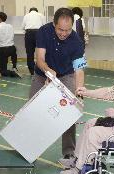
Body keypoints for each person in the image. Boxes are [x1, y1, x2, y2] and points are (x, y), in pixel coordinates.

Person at [30, 8, 87, 160]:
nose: (63, 33)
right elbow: (40, 59)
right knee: (32, 111)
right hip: (42, 75)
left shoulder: (76, 41)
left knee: (69, 113)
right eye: (60, 29)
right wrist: (49, 71)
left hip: (66, 76)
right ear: (54, 24)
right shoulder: (43, 31)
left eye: (67, 30)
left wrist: (79, 92)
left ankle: (69, 151)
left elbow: (79, 70)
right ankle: (30, 148)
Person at [0, 12, 21, 78]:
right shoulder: (10, 26)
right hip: (12, 48)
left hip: (3, 50)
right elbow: (12, 36)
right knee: (13, 52)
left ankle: (12, 72)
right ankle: (14, 67)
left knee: (2, 71)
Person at [22, 7, 45, 75]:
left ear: (30, 11)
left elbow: (23, 27)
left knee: (29, 53)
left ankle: (31, 71)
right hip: (39, 33)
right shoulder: (40, 15)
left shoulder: (26, 15)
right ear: (37, 11)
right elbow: (45, 26)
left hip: (29, 34)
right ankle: (42, 69)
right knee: (41, 52)